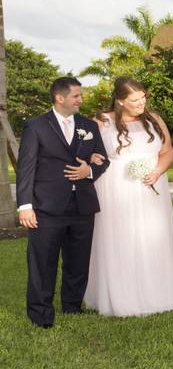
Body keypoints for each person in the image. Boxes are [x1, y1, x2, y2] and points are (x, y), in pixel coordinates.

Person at [84, 78, 173, 316]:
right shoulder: (102, 121)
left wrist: (157, 171)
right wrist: (92, 158)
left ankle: (158, 293)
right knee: (120, 239)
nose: (141, 103)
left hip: (151, 187)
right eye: (134, 100)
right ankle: (121, 296)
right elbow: (87, 151)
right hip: (115, 189)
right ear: (120, 101)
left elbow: (167, 151)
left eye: (143, 97)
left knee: (152, 236)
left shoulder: (155, 120)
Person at [16, 77, 110, 327]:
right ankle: (40, 314)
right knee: (42, 263)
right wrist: (25, 205)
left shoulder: (89, 125)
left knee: (78, 261)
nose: (81, 99)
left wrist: (88, 171)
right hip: (47, 207)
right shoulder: (36, 126)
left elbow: (104, 160)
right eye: (76, 95)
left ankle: (72, 306)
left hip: (83, 205)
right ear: (60, 97)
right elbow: (26, 169)